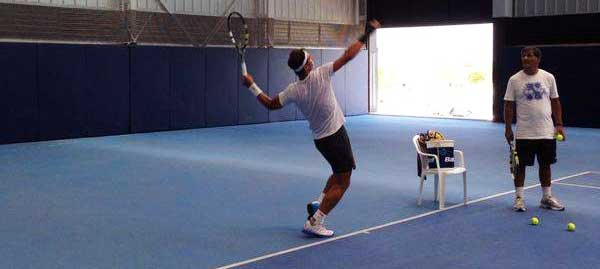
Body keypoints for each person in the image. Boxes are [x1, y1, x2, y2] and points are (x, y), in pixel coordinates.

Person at [241, 20, 380, 237]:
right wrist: (367, 34)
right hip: (335, 135)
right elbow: (348, 56)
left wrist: (251, 85)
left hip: (320, 140)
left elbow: (270, 104)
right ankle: (316, 221)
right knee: (344, 182)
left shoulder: (293, 90)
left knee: (337, 173)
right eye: (309, 58)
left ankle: (318, 203)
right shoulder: (322, 74)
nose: (312, 59)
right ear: (306, 66)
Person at [504, 46, 566, 212]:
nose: (526, 58)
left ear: (537, 59)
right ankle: (519, 199)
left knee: (545, 165)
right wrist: (508, 127)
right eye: (523, 55)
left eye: (530, 56)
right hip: (524, 132)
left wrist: (559, 124)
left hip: (546, 131)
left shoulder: (548, 77)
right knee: (520, 167)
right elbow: (508, 105)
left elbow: (555, 101)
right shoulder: (514, 80)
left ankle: (546, 198)